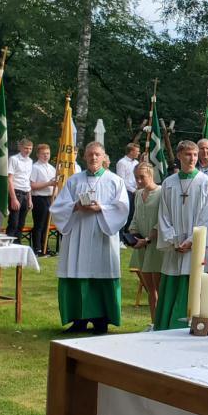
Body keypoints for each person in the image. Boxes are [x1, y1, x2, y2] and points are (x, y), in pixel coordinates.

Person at [50, 141, 129, 334]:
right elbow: (58, 207)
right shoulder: (74, 181)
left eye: (97, 154)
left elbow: (123, 209)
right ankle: (78, 320)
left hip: (101, 235)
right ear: (84, 157)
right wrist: (75, 206)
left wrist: (100, 208)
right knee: (77, 272)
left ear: (104, 157)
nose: (93, 158)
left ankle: (102, 320)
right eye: (90, 154)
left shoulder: (114, 181)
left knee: (101, 273)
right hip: (77, 234)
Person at [154, 141, 208, 330]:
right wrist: (173, 240)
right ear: (179, 156)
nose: (192, 159)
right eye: (188, 154)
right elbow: (163, 214)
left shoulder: (206, 183)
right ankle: (167, 325)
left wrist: (192, 241)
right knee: (173, 280)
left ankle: (195, 323)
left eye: (195, 155)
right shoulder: (168, 183)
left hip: (195, 248)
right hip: (174, 247)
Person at [128, 163, 164, 327]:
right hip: (141, 245)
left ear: (151, 175)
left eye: (142, 177)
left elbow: (161, 220)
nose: (139, 181)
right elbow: (135, 216)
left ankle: (161, 322)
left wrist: (149, 238)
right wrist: (134, 235)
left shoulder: (162, 192)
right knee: (150, 290)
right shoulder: (138, 194)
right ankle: (153, 322)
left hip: (155, 246)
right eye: (136, 177)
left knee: (158, 288)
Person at [28, 144, 57, 255]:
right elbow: (32, 185)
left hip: (50, 198)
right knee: (39, 224)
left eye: (48, 153)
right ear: (38, 155)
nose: (46, 156)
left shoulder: (52, 168)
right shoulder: (35, 167)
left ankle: (46, 247)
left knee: (47, 224)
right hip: (39, 197)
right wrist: (49, 183)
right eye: (43, 154)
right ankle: (38, 248)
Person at [6, 138, 34, 238]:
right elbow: (9, 179)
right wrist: (13, 198)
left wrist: (30, 199)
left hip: (26, 193)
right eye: (26, 148)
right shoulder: (14, 159)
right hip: (16, 192)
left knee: (21, 223)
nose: (28, 151)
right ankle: (9, 245)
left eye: (30, 149)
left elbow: (28, 180)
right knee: (14, 222)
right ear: (20, 148)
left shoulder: (30, 161)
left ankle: (17, 243)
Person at [115, 143, 140, 231]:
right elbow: (121, 180)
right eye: (137, 151)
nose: (138, 153)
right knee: (127, 212)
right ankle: (123, 233)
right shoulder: (122, 163)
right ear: (131, 151)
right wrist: (133, 190)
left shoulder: (137, 163)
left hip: (136, 190)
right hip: (127, 191)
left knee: (134, 212)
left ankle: (130, 231)